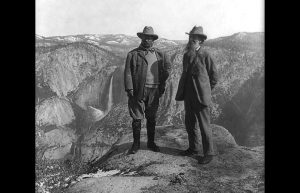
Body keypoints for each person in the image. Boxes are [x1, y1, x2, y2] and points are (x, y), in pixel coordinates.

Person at [124, 26, 171, 154]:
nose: (147, 40)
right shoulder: (133, 55)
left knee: (151, 118)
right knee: (136, 118)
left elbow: (166, 71)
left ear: (153, 40)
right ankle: (136, 144)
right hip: (138, 90)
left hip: (154, 90)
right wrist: (129, 88)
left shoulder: (160, 55)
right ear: (141, 38)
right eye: (145, 38)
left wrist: (163, 83)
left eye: (149, 38)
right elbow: (128, 72)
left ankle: (151, 143)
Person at [175, 26, 218, 164]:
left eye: (194, 38)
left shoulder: (206, 55)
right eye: (190, 37)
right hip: (189, 96)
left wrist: (206, 90)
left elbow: (214, 77)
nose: (191, 40)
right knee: (189, 123)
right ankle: (193, 148)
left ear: (200, 41)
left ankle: (209, 153)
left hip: (201, 97)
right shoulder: (187, 55)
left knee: (204, 125)